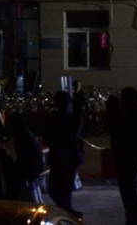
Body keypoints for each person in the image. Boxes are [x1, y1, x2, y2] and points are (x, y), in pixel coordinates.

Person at [109, 86, 137, 225]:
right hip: (129, 157)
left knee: (128, 191)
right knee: (128, 191)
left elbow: (118, 131)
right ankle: (133, 219)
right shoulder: (135, 114)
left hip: (128, 158)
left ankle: (135, 220)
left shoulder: (133, 116)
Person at [42, 90, 83, 218]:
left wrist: (56, 140)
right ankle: (69, 214)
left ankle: (68, 215)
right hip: (66, 158)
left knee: (61, 191)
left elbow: (69, 139)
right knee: (60, 191)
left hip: (64, 158)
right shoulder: (72, 118)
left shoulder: (68, 119)